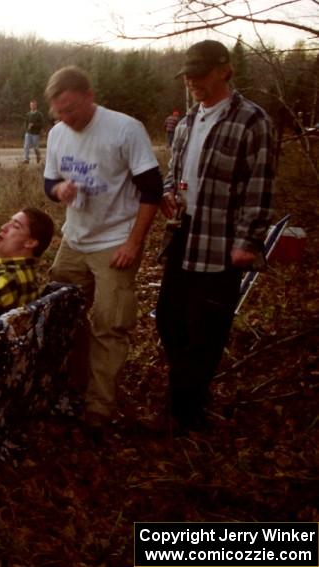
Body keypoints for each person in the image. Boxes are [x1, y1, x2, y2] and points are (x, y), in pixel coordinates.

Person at [156, 40, 275, 433]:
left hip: (223, 240)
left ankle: (186, 415)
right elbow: (175, 171)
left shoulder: (252, 121)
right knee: (170, 322)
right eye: (188, 75)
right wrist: (170, 192)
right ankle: (186, 393)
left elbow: (259, 187)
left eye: (200, 74)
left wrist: (248, 241)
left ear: (225, 70)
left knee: (206, 328)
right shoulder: (189, 121)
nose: (192, 82)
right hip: (184, 233)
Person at [42, 65, 163, 428]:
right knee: (62, 314)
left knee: (110, 325)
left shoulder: (125, 129)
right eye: (59, 112)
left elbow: (152, 191)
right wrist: (58, 191)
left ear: (89, 96)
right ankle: (72, 385)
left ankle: (100, 406)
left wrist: (133, 243)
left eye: (71, 110)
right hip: (75, 239)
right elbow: (49, 182)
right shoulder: (57, 134)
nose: (66, 118)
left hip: (115, 241)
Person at [23, 100, 45, 164]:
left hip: (35, 133)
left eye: (33, 105)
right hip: (28, 132)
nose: (32, 106)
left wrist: (34, 125)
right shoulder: (28, 114)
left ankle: (38, 156)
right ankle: (26, 159)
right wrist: (26, 128)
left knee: (36, 147)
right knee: (26, 146)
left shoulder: (39, 114)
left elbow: (42, 124)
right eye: (31, 105)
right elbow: (26, 123)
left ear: (36, 105)